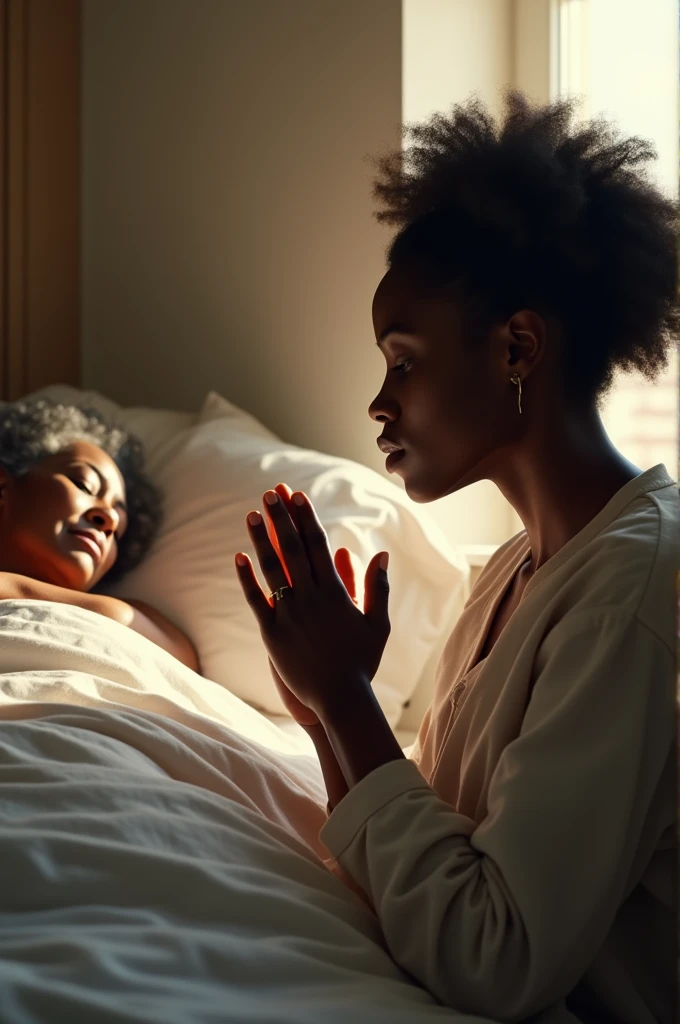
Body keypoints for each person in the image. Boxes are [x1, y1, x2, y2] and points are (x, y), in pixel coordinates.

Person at [235, 91, 679, 1023]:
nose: (378, 404)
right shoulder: (514, 572)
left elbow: (494, 955)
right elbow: (427, 865)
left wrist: (354, 701)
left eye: (403, 361)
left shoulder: (632, 593)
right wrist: (325, 710)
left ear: (518, 347)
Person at [0, 399, 199, 671]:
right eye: (85, 485)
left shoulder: (140, 619)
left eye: (119, 531)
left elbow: (182, 659)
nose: (109, 519)